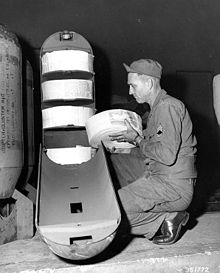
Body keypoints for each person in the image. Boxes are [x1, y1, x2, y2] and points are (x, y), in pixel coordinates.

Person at [109, 59, 197, 245]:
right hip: (164, 182)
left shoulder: (167, 107)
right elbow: (152, 152)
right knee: (118, 159)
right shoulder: (157, 109)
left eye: (133, 86)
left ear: (149, 83)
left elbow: (166, 154)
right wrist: (131, 141)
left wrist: (138, 139)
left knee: (110, 210)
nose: (130, 91)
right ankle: (167, 218)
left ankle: (164, 220)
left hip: (173, 187)